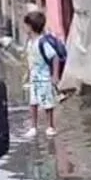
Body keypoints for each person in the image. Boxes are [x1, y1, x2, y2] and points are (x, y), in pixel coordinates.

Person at [23, 10, 59, 138]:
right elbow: (30, 59)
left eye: (26, 25)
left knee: (47, 103)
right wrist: (27, 73)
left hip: (44, 78)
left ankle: (50, 126)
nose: (24, 28)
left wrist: (55, 76)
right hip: (34, 78)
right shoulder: (29, 42)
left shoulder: (42, 42)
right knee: (33, 102)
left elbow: (54, 57)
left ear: (31, 26)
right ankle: (33, 127)